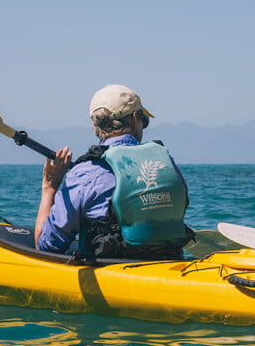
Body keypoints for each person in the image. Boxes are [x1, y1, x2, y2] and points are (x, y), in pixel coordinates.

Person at [34, 83, 191, 260]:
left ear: (96, 127)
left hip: (111, 273)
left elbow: (47, 245)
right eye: (143, 120)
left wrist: (50, 187)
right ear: (133, 118)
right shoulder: (165, 162)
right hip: (168, 265)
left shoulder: (83, 173)